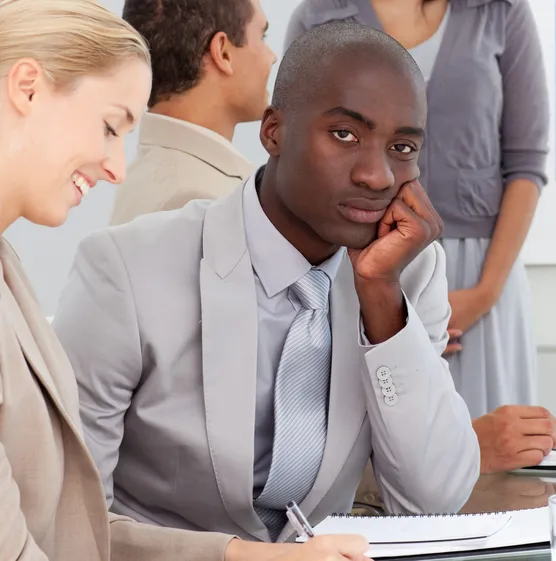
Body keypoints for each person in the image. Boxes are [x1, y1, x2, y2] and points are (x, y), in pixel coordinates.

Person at [53, 22, 480, 545]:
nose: (378, 176)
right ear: (273, 131)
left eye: (402, 147)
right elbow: (67, 521)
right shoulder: (127, 269)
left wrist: (382, 302)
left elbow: (434, 498)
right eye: (345, 134)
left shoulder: (409, 272)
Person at [0, 1, 371, 560]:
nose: (117, 168)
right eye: (108, 127)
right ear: (27, 88)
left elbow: (68, 523)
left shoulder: (10, 273)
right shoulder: (177, 222)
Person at [285, 0, 549, 418]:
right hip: (356, 266)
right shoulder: (319, 16)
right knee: (371, 443)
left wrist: (483, 295)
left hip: (482, 276)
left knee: (495, 454)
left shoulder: (501, 11)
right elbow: (300, 153)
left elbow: (526, 164)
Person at [110, 0, 276, 226]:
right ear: (223, 52)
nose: (272, 56)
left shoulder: (162, 178)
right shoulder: (194, 202)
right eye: (262, 37)